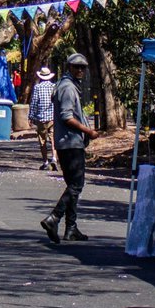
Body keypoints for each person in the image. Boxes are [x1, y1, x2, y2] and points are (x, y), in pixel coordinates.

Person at [41, 54, 96, 244]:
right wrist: (88, 130)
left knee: (73, 186)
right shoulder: (67, 88)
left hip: (68, 143)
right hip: (70, 143)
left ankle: (71, 228)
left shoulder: (67, 86)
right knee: (76, 185)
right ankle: (54, 218)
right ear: (69, 67)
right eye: (76, 67)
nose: (80, 70)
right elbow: (66, 117)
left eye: (83, 67)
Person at [29, 66, 58, 171]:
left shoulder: (37, 87)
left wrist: (31, 116)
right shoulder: (54, 86)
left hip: (41, 118)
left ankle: (45, 161)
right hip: (52, 117)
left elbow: (34, 102)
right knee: (53, 138)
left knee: (42, 140)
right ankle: (54, 158)